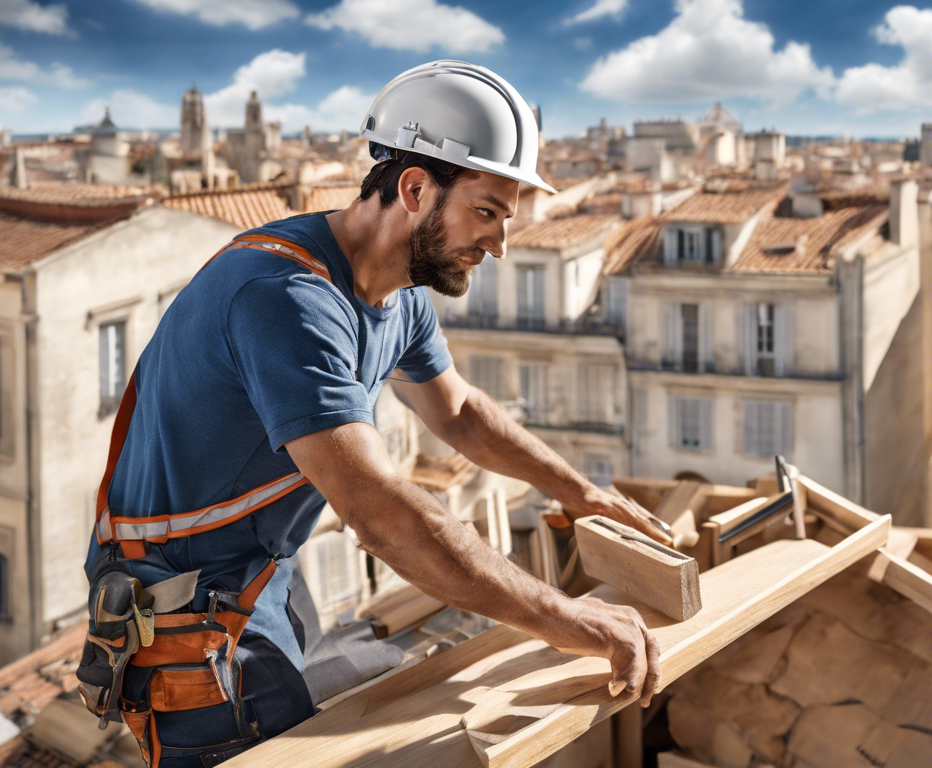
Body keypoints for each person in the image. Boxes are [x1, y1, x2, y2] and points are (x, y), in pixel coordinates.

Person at [78, 61, 663, 767]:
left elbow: (461, 415)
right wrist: (568, 618)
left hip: (260, 582)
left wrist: (584, 495)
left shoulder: (400, 289)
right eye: (486, 213)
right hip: (188, 622)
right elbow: (382, 514)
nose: (500, 246)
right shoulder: (286, 299)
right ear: (414, 189)